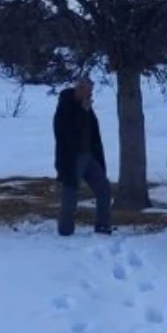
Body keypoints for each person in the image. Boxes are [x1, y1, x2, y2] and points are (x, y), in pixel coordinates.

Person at [53, 76, 112, 236]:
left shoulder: (86, 107)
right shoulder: (65, 106)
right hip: (72, 158)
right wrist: (83, 112)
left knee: (104, 189)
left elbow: (93, 132)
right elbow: (66, 133)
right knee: (70, 194)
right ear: (79, 89)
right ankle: (65, 230)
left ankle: (103, 226)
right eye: (87, 91)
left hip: (90, 155)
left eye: (91, 91)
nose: (90, 95)